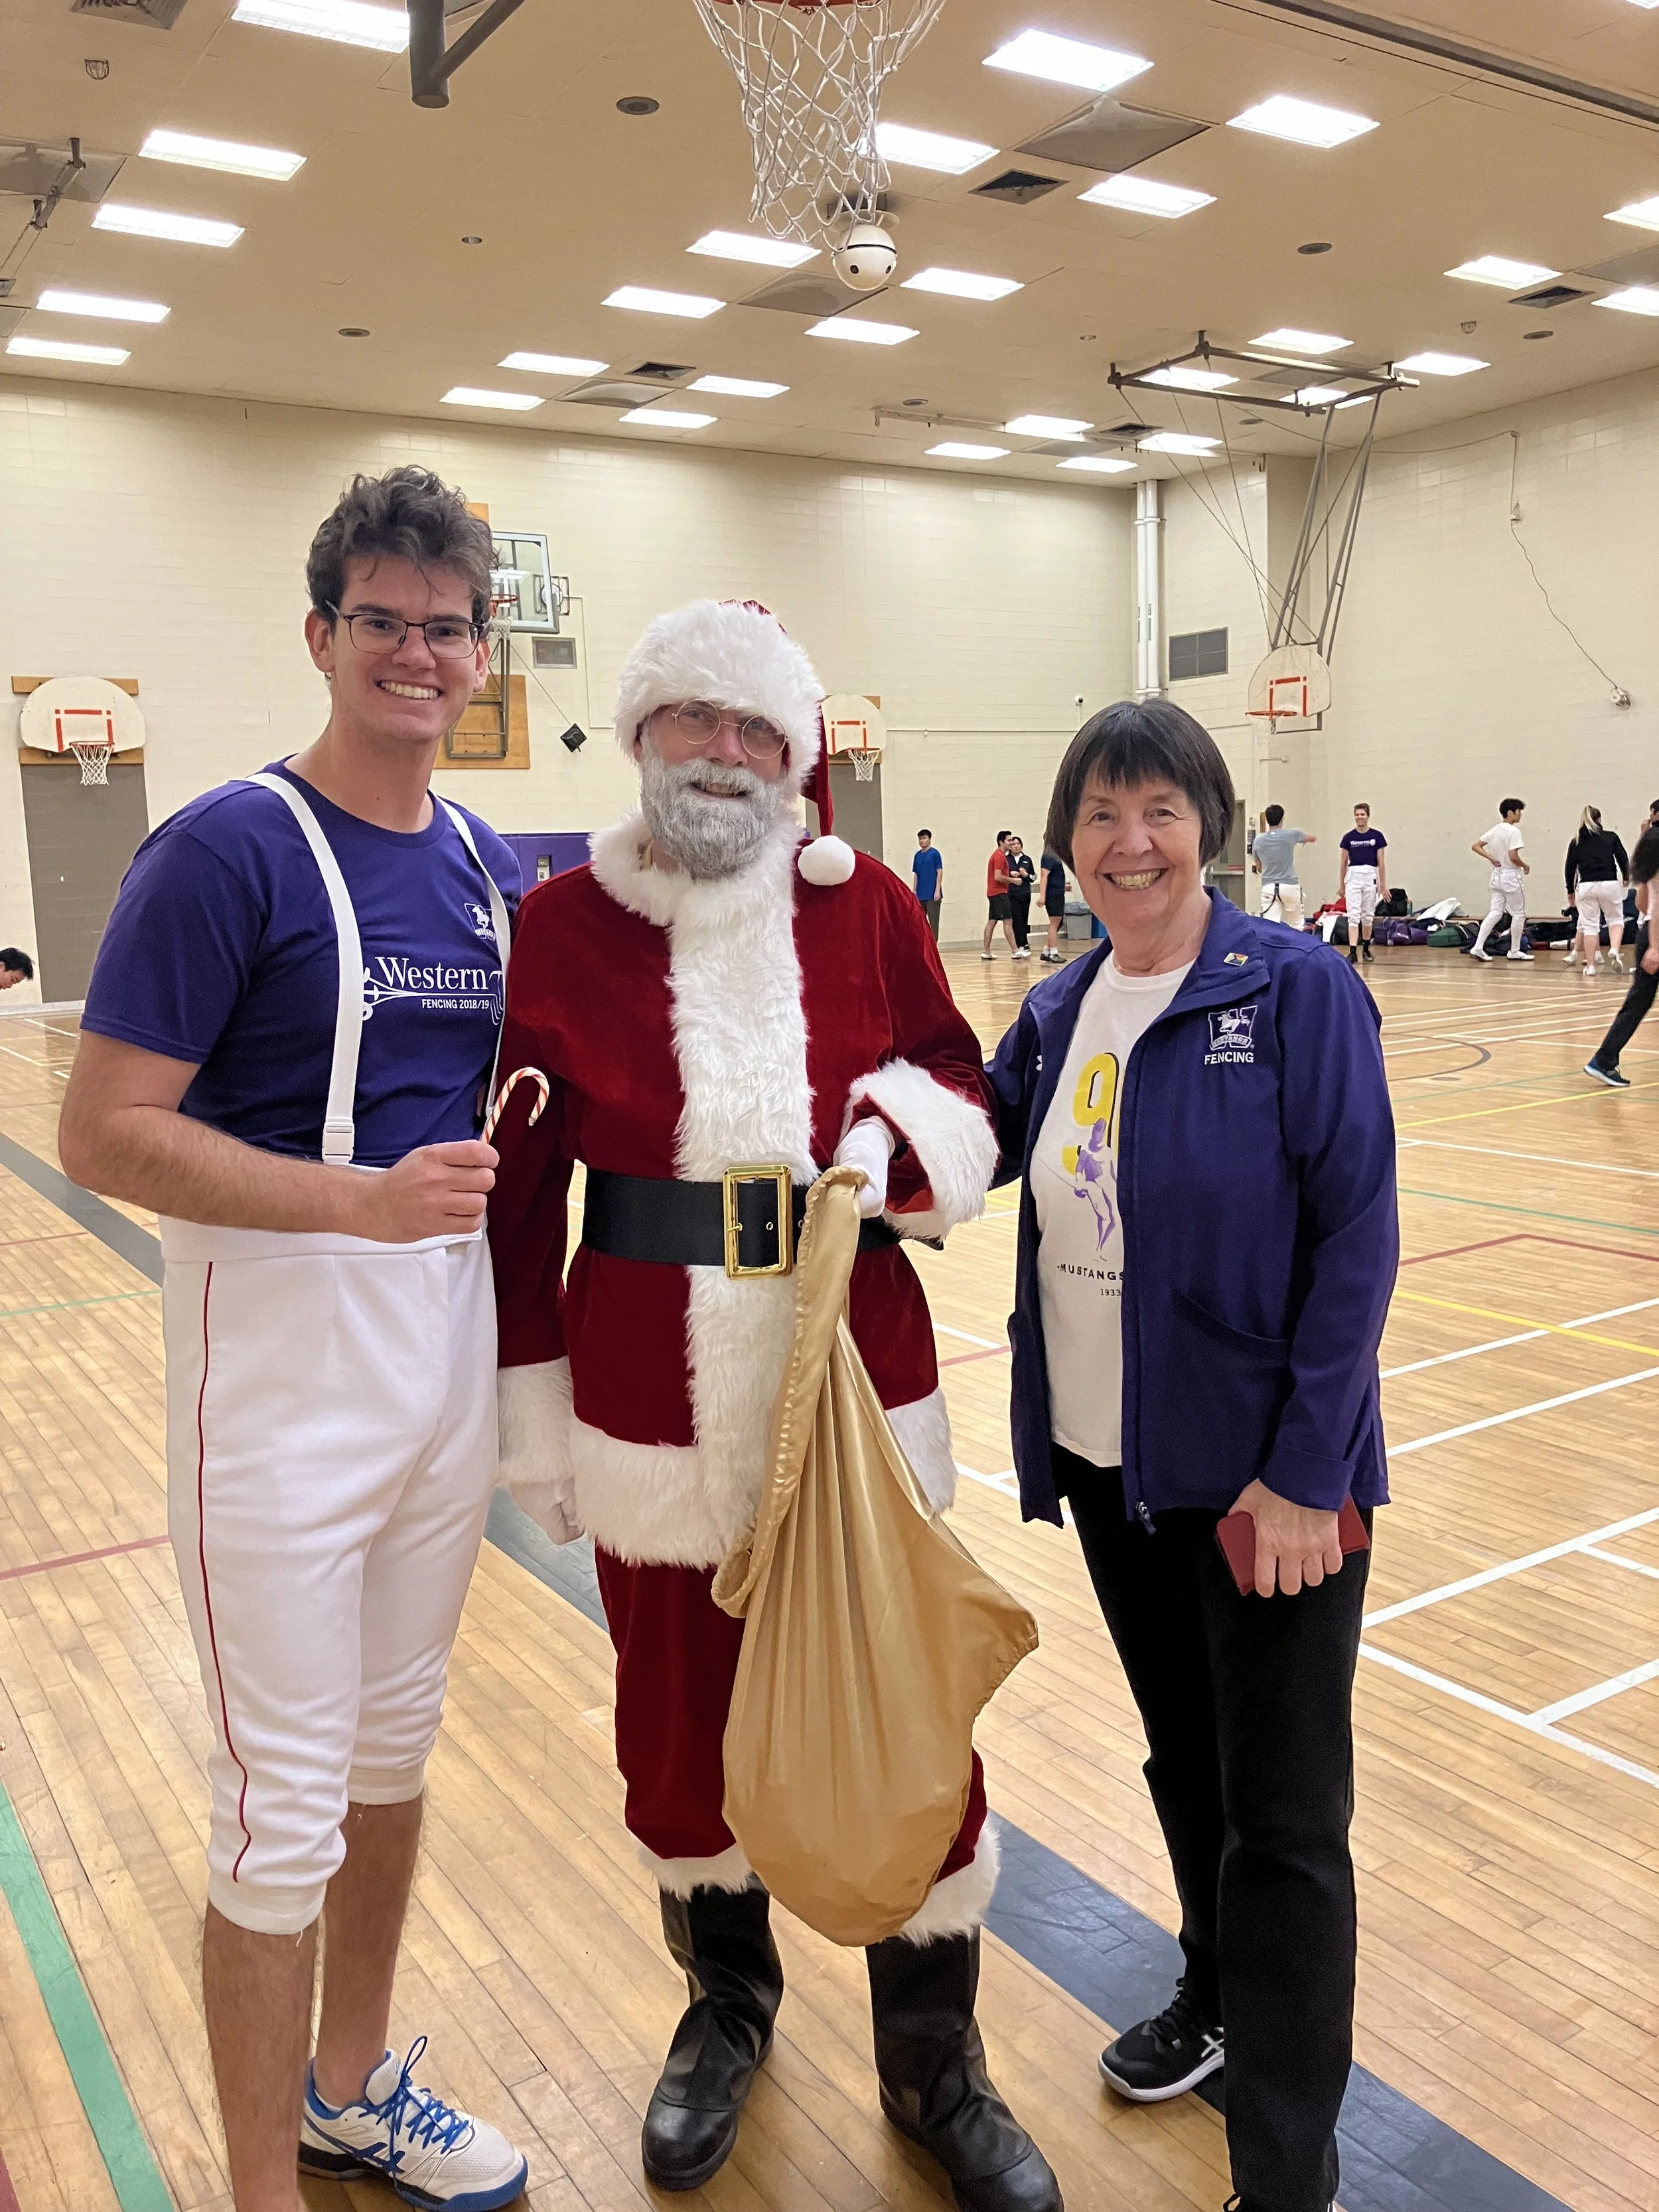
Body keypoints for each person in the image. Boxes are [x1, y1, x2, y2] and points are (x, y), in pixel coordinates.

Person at [488, 599, 1060, 2212]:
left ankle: (932, 2054)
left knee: (908, 1721)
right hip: (641, 1400)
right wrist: (530, 1421)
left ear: (796, 754)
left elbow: (959, 1084)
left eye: (758, 732)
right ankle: (724, 2008)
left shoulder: (868, 905)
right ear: (642, 734)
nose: (725, 756)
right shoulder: (563, 927)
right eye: (695, 723)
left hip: (856, 1384)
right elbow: (521, 1208)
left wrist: (886, 1150)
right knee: (677, 1736)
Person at [56, 467, 530, 2212]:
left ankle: (349, 2091)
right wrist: (352, 1202)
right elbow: (102, 1130)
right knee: (277, 1817)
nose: (417, 652)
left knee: (393, 1760)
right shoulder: (221, 849)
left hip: (438, 1369)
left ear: (483, 650)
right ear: (323, 636)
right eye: (383, 622)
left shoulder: (484, 862)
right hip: (271, 1380)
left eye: (446, 625)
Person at [986, 699, 1395, 2212]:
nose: (1128, 840)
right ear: (1067, 846)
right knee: (1190, 1762)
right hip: (1117, 1469)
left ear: (1208, 822)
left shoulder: (1293, 993)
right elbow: (960, 1144)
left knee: (1285, 1821)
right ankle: (1219, 2001)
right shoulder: (1058, 1008)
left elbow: (1356, 1242)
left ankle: (1287, 2175)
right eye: (1098, 814)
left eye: (1157, 808)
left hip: (1271, 1491)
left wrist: (1304, 1474)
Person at [1585, 824, 1659, 1087]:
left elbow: (1642, 906)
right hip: (1655, 937)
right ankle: (1604, 1059)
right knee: (1638, 1003)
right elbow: (1657, 913)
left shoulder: (1650, 874)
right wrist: (1655, 948)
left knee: (1637, 1003)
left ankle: (1604, 1059)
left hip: (1645, 937)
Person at [1564, 806, 1630, 984]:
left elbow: (1569, 867)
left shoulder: (1577, 841)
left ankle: (1591, 966)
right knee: (1615, 919)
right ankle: (1614, 950)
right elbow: (1622, 857)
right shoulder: (1611, 837)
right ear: (1599, 820)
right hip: (1609, 882)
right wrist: (1626, 875)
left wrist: (1570, 890)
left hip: (1586, 886)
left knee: (1590, 926)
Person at [1469, 798, 1532, 962]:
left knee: (1495, 912)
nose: (1520, 815)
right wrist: (1524, 865)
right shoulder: (1514, 832)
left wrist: (1491, 858)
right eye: (1519, 811)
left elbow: (1476, 845)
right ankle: (1515, 950)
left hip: (1497, 876)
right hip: (1511, 876)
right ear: (1511, 812)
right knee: (1519, 913)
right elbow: (1513, 856)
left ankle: (1478, 947)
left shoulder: (1495, 830)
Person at [1249, 804, 1316, 930]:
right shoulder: (1291, 835)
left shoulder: (1258, 840)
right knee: (1297, 926)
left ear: (1267, 819)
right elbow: (1312, 838)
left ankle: (1272, 950)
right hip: (1290, 885)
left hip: (1269, 886)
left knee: (1269, 927)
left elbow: (1258, 867)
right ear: (1282, 819)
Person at [1336, 803, 1387, 964]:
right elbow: (1343, 863)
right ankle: (1353, 951)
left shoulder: (1377, 836)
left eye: (1362, 815)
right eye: (1357, 815)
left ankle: (1365, 948)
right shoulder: (1348, 838)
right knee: (1353, 915)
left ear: (1368, 816)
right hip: (1354, 877)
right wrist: (1342, 885)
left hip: (1370, 875)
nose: (1360, 817)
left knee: (1367, 915)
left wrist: (1383, 885)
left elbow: (1381, 862)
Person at [983, 830, 1016, 961]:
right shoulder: (1000, 856)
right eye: (1009, 840)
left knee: (992, 921)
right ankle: (1015, 950)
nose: (1012, 843)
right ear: (1002, 842)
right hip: (999, 893)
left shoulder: (998, 856)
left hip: (993, 893)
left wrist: (1010, 875)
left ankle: (986, 951)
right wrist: (1013, 880)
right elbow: (997, 877)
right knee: (1008, 921)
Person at [1005, 835, 1037, 960]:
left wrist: (1026, 875)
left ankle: (1025, 943)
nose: (1016, 846)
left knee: (1024, 918)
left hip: (1024, 893)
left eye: (1018, 844)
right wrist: (1010, 874)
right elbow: (1002, 874)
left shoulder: (1027, 859)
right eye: (1013, 844)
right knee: (1016, 919)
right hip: (1012, 894)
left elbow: (1034, 877)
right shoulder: (1006, 859)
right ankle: (1020, 944)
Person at [912, 828, 944, 940]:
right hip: (921, 894)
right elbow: (916, 874)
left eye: (924, 838)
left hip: (932, 895)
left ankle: (934, 946)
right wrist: (914, 890)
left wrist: (937, 890)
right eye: (920, 839)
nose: (922, 841)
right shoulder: (917, 856)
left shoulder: (934, 854)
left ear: (929, 840)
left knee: (933, 922)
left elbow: (939, 871)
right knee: (920, 922)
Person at [1040, 849, 1069, 964]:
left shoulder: (1056, 856)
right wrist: (1042, 896)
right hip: (1053, 895)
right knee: (1054, 923)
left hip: (1058, 893)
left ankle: (1047, 951)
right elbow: (1044, 875)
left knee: (1058, 923)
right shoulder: (1049, 856)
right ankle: (1053, 953)